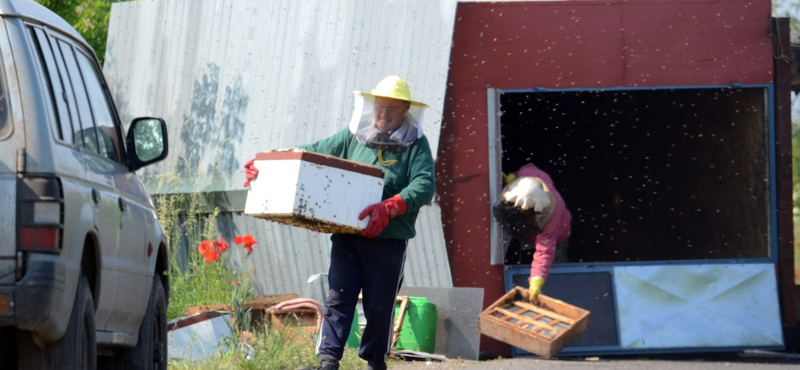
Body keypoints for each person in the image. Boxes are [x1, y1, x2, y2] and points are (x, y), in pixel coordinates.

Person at [244, 76, 435, 370]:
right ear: (372, 105)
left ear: (406, 110)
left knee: (379, 305)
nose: (384, 114)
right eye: (381, 107)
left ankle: (375, 363)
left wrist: (390, 206)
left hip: (389, 240)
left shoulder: (416, 145)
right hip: (348, 234)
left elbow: (424, 184)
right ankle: (328, 361)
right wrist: (268, 163)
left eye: (393, 110)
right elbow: (313, 152)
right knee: (338, 297)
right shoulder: (352, 136)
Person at [493, 163, 571, 302]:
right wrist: (513, 176)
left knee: (555, 262)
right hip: (531, 234)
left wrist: (537, 279)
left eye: (525, 212)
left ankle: (560, 284)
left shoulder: (551, 218)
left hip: (558, 238)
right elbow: (521, 170)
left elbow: (544, 252)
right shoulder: (528, 172)